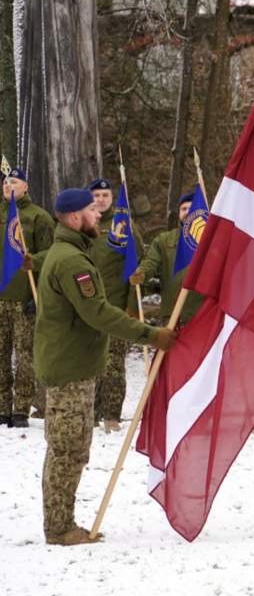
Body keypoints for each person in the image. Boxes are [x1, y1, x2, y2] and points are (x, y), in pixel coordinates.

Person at [34, 188, 175, 546]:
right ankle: (59, 527)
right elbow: (96, 312)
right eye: (91, 210)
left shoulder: (72, 252)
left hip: (71, 363)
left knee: (70, 447)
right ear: (74, 217)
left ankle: (59, 522)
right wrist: (150, 334)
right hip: (70, 368)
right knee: (69, 449)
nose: (99, 214)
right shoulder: (71, 261)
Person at [88, 177, 143, 433]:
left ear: (112, 198)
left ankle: (111, 415)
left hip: (115, 307)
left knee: (113, 365)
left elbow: (137, 268)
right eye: (96, 196)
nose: (100, 200)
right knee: (88, 363)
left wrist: (131, 307)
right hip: (86, 308)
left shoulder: (123, 225)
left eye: (105, 196)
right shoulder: (82, 224)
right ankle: (92, 413)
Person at [0, 167, 54, 427]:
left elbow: (50, 258)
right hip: (0, 298)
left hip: (24, 299)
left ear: (26, 187)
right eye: (5, 182)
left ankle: (20, 407)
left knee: (24, 357)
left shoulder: (39, 217)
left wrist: (39, 295)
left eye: (14, 182)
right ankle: (2, 406)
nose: (8, 186)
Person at [129, 191, 205, 325]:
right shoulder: (164, 240)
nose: (187, 212)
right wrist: (141, 272)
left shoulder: (214, 241)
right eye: (184, 209)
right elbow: (151, 261)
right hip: (172, 318)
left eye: (192, 208)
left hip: (205, 318)